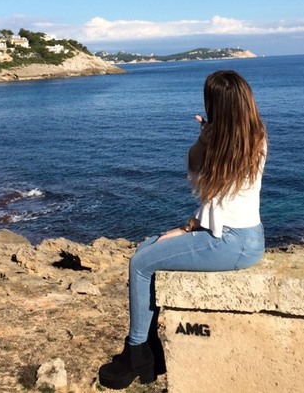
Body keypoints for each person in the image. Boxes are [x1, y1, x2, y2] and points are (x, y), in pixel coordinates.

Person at [98, 70, 267, 389]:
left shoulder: (242, 144)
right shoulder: (252, 134)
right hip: (237, 236)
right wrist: (204, 140)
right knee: (146, 247)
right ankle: (150, 352)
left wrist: (186, 227)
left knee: (140, 264)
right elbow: (204, 183)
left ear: (219, 105)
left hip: (232, 242)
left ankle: (136, 352)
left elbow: (208, 194)